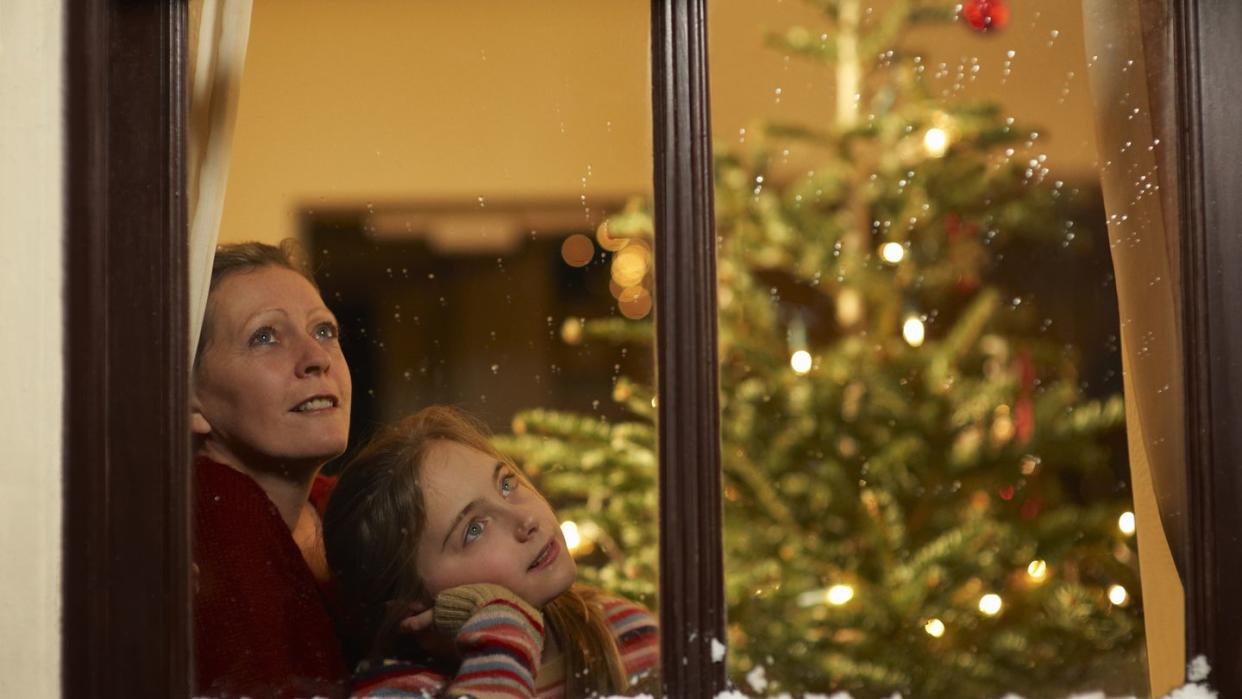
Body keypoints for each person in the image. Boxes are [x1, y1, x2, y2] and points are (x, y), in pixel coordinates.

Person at [322, 406, 659, 698]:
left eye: (507, 484)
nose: (525, 519)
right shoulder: (395, 692)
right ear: (414, 603)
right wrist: (503, 635)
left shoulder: (626, 634)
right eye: (474, 529)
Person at [192, 240, 351, 697]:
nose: (317, 358)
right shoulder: (205, 527)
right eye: (265, 336)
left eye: (324, 331)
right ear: (190, 400)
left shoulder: (344, 507)